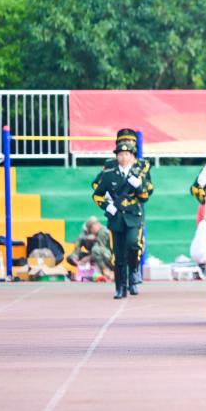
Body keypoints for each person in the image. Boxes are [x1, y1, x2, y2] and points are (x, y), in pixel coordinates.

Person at [91, 128, 154, 299]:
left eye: (127, 153)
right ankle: (120, 287)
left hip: (133, 214)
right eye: (120, 154)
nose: (124, 157)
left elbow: (146, 194)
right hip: (117, 216)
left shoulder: (140, 168)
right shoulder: (110, 171)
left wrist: (139, 186)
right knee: (118, 254)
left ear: (132, 155)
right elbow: (97, 189)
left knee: (133, 245)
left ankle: (133, 272)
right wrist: (107, 205)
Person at [67, 216, 114, 281]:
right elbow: (76, 249)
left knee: (95, 250)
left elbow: (99, 250)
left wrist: (87, 258)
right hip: (92, 254)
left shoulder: (103, 231)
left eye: (96, 225)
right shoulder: (86, 233)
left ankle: (105, 270)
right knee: (70, 257)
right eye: (92, 227)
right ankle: (84, 271)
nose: (95, 227)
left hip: (105, 254)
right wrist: (75, 257)